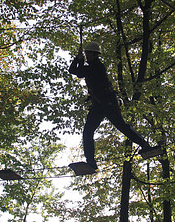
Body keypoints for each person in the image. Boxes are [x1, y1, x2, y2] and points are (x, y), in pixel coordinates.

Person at [69, 41, 161, 170]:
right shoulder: (91, 67)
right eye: (86, 54)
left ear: (95, 55)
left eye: (89, 54)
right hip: (99, 105)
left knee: (122, 126)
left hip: (108, 103)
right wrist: (79, 60)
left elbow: (76, 71)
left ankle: (145, 145)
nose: (87, 56)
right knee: (87, 132)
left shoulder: (97, 67)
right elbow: (78, 72)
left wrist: (78, 60)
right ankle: (91, 162)